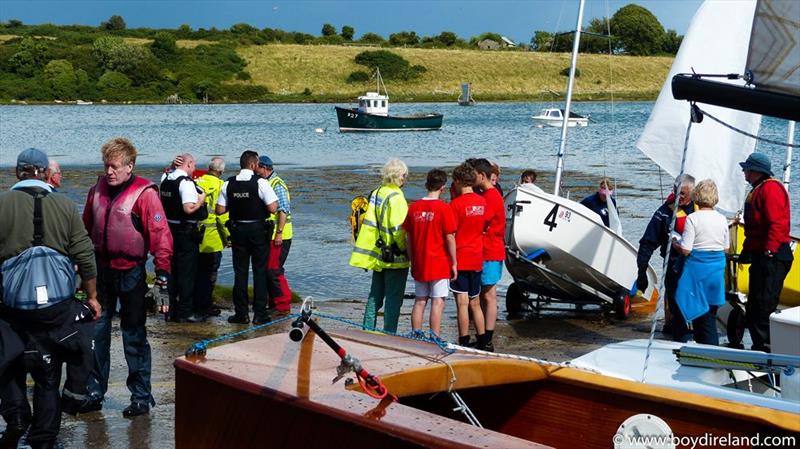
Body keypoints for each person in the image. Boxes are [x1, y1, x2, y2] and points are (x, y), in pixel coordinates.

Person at [0, 148, 100, 449]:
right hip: (55, 308)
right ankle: (44, 437)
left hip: (12, 307)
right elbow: (85, 255)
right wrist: (92, 296)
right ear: (45, 173)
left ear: (17, 173)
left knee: (8, 361)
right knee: (48, 371)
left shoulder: (2, 204)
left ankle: (16, 415)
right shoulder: (66, 205)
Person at [83, 137, 173, 417]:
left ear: (129, 166)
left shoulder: (145, 194)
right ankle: (94, 392)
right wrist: (79, 269)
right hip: (101, 272)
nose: (109, 172)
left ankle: (141, 397)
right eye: (106, 166)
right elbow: (84, 232)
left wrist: (162, 277)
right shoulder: (96, 191)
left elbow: (160, 236)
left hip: (132, 272)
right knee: (97, 334)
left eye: (114, 166)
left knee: (134, 336)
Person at [738, 153, 793, 352]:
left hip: (774, 255)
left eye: (746, 169)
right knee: (755, 305)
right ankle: (759, 346)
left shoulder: (770, 189)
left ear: (755, 171)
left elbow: (776, 223)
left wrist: (770, 250)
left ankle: (768, 349)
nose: (744, 173)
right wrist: (746, 251)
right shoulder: (759, 189)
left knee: (764, 305)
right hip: (763, 254)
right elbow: (754, 229)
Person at [216, 150, 278, 325]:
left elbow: (220, 210)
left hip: (237, 230)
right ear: (253, 164)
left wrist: (236, 204)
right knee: (259, 272)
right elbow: (273, 208)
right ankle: (260, 314)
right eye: (257, 164)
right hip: (258, 230)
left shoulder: (229, 183)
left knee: (240, 273)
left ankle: (241, 313)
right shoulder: (261, 183)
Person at [349, 159, 410, 333]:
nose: (405, 178)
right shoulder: (397, 197)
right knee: (393, 299)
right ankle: (389, 333)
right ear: (399, 176)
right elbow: (398, 229)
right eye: (404, 175)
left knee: (375, 296)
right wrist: (406, 250)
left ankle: (367, 330)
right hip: (395, 256)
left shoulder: (377, 192)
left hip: (378, 253)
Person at [636, 174, 697, 342]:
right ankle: (678, 332)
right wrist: (641, 271)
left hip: (697, 266)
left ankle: (696, 333)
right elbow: (647, 243)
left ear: (693, 193)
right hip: (673, 264)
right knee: (675, 301)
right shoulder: (664, 213)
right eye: (676, 192)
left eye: (683, 194)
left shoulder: (701, 211)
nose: (678, 197)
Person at [403, 169, 457, 339]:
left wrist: (412, 259)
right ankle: (435, 336)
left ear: (427, 184)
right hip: (439, 262)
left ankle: (416, 334)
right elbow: (450, 238)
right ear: (442, 187)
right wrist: (454, 262)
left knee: (420, 300)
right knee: (437, 301)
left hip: (420, 261)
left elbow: (408, 239)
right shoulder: (444, 208)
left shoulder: (414, 208)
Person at [674, 180, 729, 345]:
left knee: (701, 315)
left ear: (697, 196)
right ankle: (704, 349)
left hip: (698, 270)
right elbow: (726, 248)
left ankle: (710, 352)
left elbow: (686, 249)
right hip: (717, 270)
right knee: (710, 312)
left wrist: (675, 243)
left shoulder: (693, 218)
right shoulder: (722, 218)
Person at [160, 153, 207, 323]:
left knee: (171, 270)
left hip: (168, 230)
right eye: (193, 166)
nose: (194, 170)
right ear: (188, 164)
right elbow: (188, 208)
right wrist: (201, 200)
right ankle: (186, 311)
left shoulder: (166, 178)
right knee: (186, 273)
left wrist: (172, 166)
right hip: (185, 232)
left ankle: (170, 310)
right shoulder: (185, 183)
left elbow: (167, 172)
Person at [449, 162, 488, 348]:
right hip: (477, 256)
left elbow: (451, 233)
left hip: (461, 258)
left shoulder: (455, 205)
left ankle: (464, 340)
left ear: (458, 181)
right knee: (475, 302)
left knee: (462, 303)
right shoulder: (482, 202)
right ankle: (483, 340)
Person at [472, 158, 504, 352]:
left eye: (474, 176)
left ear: (482, 176)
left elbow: (481, 221)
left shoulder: (491, 196)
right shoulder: (487, 195)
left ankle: (487, 338)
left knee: (489, 295)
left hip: (490, 251)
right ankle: (484, 335)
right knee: (485, 295)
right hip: (488, 249)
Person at [255, 155, 293, 315]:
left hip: (280, 236)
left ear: (264, 168)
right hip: (270, 235)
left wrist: (279, 233)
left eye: (257, 167)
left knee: (274, 270)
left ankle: (283, 305)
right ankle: (274, 303)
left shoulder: (277, 184)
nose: (254, 171)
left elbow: (283, 210)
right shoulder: (266, 182)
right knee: (268, 270)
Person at [194, 157, 229, 319]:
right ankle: (205, 305)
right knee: (209, 275)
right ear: (221, 172)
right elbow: (222, 217)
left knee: (195, 272)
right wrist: (229, 237)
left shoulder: (197, 182)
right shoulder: (221, 186)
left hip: (195, 236)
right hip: (213, 239)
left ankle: (194, 302)